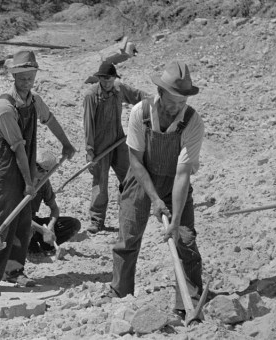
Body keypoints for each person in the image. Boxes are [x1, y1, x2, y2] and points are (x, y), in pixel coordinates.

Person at [109, 61, 205, 319]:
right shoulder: (140, 113)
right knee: (128, 237)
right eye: (171, 100)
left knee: (185, 239)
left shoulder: (193, 122)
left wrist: (174, 219)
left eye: (181, 102)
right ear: (159, 93)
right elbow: (136, 161)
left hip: (175, 180)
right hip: (141, 178)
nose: (175, 108)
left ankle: (189, 303)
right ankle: (121, 295)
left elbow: (183, 173)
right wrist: (154, 199)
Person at [0, 50, 76, 296]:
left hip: (23, 163)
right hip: (3, 168)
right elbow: (19, 149)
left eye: (30, 76)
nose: (26, 81)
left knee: (22, 220)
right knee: (0, 219)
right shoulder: (4, 108)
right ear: (14, 76)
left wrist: (66, 144)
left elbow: (50, 119)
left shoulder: (33, 101)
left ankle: (15, 270)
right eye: (22, 77)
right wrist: (29, 183)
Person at [83, 61, 149, 233]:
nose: (106, 83)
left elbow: (139, 96)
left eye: (109, 79)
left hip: (118, 142)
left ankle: (132, 211)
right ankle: (97, 220)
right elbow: (88, 123)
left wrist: (156, 102)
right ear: (98, 79)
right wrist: (90, 150)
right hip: (100, 147)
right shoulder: (91, 96)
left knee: (129, 176)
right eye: (103, 80)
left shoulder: (119, 89)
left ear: (114, 78)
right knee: (100, 183)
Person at [28, 149, 81, 256]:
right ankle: (30, 248)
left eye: (47, 172)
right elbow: (19, 216)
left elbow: (54, 209)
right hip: (20, 224)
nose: (44, 174)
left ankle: (46, 244)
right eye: (41, 170)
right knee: (27, 229)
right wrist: (42, 230)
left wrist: (50, 226)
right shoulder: (19, 181)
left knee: (73, 224)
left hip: (34, 222)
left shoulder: (43, 183)